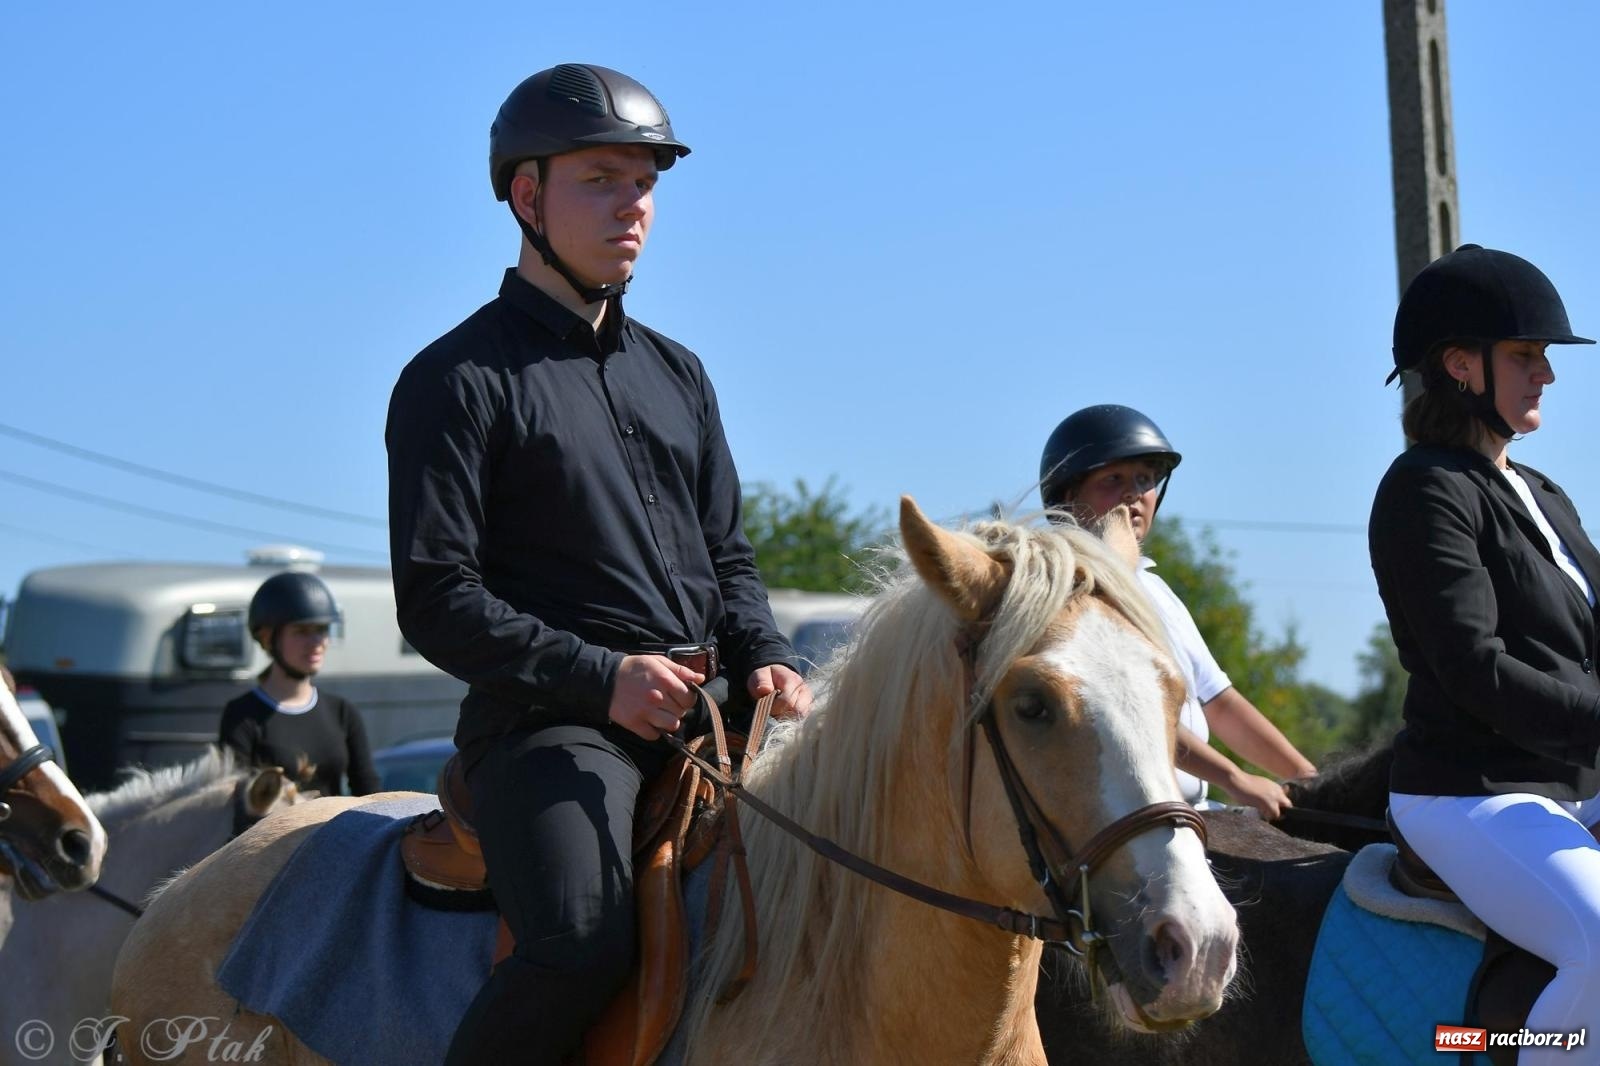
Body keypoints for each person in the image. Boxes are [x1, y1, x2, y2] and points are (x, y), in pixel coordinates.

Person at [385, 64, 812, 1066]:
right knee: (579, 944)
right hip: (551, 729)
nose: (634, 204)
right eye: (601, 179)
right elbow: (436, 598)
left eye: (646, 183)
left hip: (713, 715)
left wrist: (766, 653)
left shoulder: (681, 373)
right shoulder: (454, 379)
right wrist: (604, 678)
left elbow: (728, 554)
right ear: (526, 196)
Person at [1373, 244, 1600, 1062]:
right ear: (1461, 365)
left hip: (1574, 786)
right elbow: (1474, 666)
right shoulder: (1425, 489)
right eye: (1526, 355)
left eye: (1543, 357)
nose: (1546, 374)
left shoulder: (1542, 494)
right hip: (1471, 795)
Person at [1040, 404, 1317, 818]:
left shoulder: (1153, 588)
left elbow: (1221, 704)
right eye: (1113, 479)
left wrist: (1309, 780)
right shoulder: (1068, 595)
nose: (1134, 494)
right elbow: (1134, 715)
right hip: (1129, 826)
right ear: (1068, 495)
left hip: (1194, 810)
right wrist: (1235, 779)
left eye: (1145, 479)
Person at [219, 571, 379, 797]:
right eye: (302, 631)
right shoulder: (241, 715)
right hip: (273, 833)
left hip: (339, 832)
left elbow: (368, 791)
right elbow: (234, 803)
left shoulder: (342, 712)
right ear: (268, 638)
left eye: (322, 630)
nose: (316, 643)